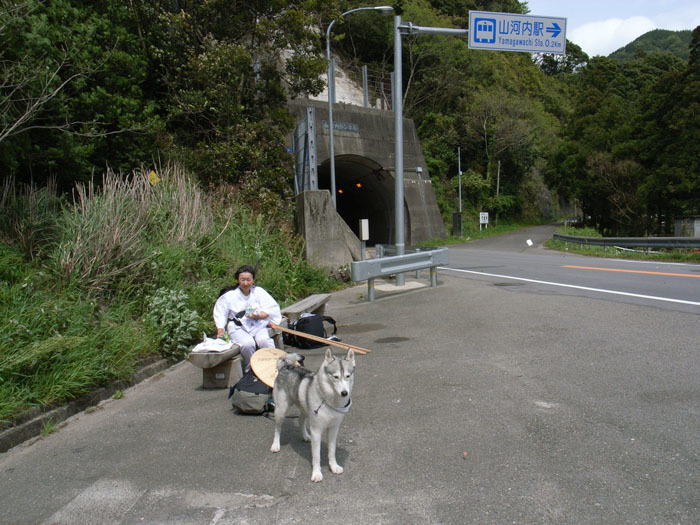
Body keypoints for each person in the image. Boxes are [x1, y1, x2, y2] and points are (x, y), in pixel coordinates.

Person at [213, 265, 282, 373]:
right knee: (248, 344)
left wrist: (257, 316)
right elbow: (220, 312)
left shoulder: (258, 292)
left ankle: (272, 367)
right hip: (238, 327)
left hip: (258, 324)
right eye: (242, 280)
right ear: (238, 280)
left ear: (253, 280)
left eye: (248, 280)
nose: (245, 283)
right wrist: (220, 329)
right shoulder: (230, 296)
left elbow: (270, 309)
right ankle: (251, 370)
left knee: (264, 341)